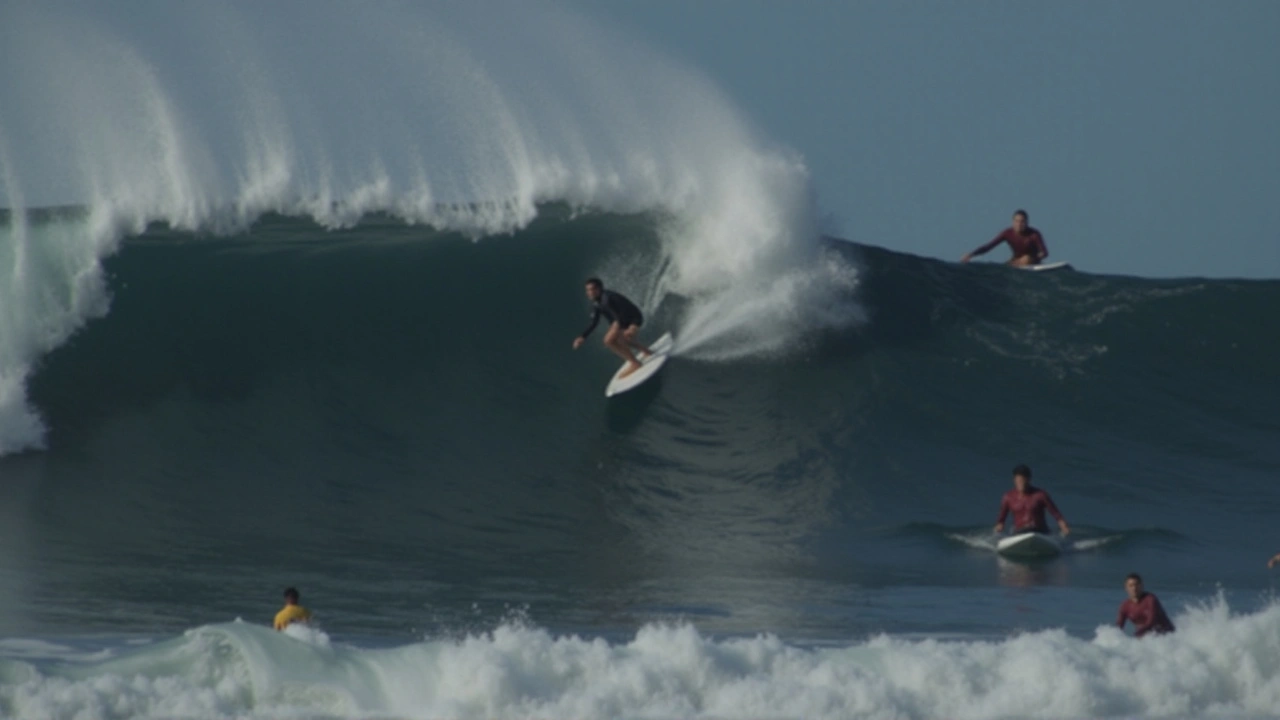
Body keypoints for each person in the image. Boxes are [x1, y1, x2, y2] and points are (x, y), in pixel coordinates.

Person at [572, 278, 652, 378]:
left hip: (633, 319)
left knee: (614, 339)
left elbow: (628, 310)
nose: (589, 292)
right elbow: (594, 322)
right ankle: (645, 351)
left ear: (599, 289)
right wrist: (582, 337)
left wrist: (628, 328)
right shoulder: (596, 303)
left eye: (592, 289)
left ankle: (635, 363)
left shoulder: (610, 298)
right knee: (614, 339)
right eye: (587, 290)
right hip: (620, 322)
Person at [994, 464, 1070, 536]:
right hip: (1020, 532)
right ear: (1014, 480)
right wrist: (998, 530)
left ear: (1029, 479)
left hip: (1040, 531)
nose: (1021, 483)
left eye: (1023, 480)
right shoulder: (1008, 497)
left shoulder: (1040, 495)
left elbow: (1056, 514)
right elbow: (1001, 520)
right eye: (1018, 480)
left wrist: (1064, 527)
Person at [961, 209, 1048, 267]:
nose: (1019, 224)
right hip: (1015, 261)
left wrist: (1031, 258)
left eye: (1022, 221)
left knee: (1026, 259)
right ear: (1013, 222)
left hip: (1032, 262)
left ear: (1027, 222)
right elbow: (989, 246)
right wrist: (971, 254)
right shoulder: (1007, 233)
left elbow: (1044, 253)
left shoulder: (1034, 234)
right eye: (1016, 221)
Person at [1116, 573, 1175, 637]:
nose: (1134, 588)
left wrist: (1138, 633)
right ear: (1126, 588)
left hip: (1167, 636)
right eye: (1131, 586)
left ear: (1142, 586)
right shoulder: (1125, 606)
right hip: (1145, 637)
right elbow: (1118, 627)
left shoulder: (1150, 599)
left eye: (1137, 585)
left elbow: (1152, 621)